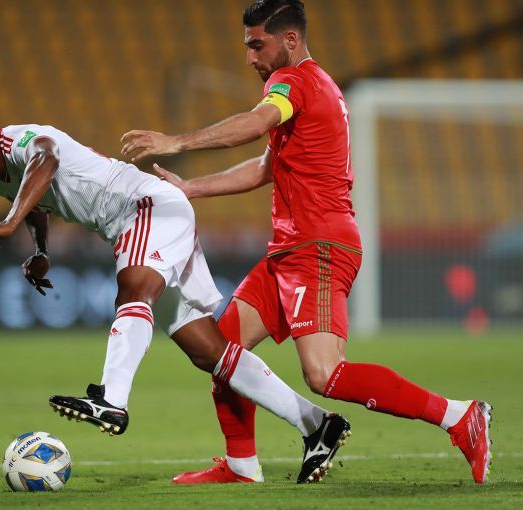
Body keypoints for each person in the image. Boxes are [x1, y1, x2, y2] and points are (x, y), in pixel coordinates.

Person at [120, 0, 492, 485]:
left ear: (290, 40)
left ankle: (459, 416)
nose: (251, 58)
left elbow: (256, 123)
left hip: (319, 247)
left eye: (258, 45)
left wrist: (177, 142)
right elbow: (266, 168)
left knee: (325, 374)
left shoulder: (293, 82)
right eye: (247, 47)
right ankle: (241, 465)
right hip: (290, 250)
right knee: (224, 353)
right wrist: (192, 188)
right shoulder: (313, 90)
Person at [0, 110, 351, 484]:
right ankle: (316, 423)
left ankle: (112, 400)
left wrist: (9, 222)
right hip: (143, 222)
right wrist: (41, 250)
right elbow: (36, 200)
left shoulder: (20, 140)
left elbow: (46, 158)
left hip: (145, 207)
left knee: (133, 291)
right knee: (209, 351)